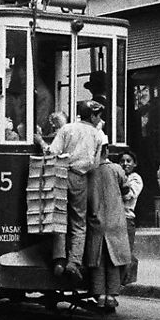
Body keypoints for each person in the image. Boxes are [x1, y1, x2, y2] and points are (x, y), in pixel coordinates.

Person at [47, 101, 108, 280]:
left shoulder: (67, 129)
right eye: (99, 116)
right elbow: (95, 163)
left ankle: (59, 260)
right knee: (78, 221)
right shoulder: (97, 135)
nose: (100, 119)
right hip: (80, 178)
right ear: (93, 116)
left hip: (61, 174)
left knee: (59, 216)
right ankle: (74, 262)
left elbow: (53, 152)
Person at [84, 145, 132, 312]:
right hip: (115, 221)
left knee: (98, 258)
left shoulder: (89, 171)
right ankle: (111, 294)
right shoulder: (116, 169)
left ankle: (99, 295)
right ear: (107, 152)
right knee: (114, 259)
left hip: (96, 221)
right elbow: (127, 192)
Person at [120, 150, 143, 283]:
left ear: (134, 164)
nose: (125, 164)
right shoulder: (119, 176)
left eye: (129, 161)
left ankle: (123, 281)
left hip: (127, 218)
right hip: (116, 217)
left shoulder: (135, 179)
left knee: (126, 252)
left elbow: (128, 196)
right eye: (122, 161)